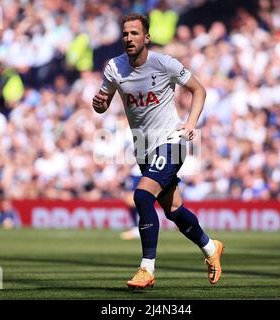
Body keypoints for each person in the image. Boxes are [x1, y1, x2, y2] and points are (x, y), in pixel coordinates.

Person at [92, 13, 224, 289]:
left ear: (147, 37)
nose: (129, 38)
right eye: (125, 34)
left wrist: (190, 123)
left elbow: (199, 90)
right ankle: (211, 248)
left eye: (134, 33)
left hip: (172, 141)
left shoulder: (164, 64)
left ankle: (146, 269)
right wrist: (99, 104)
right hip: (143, 148)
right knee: (174, 210)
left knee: (141, 196)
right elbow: (102, 104)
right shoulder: (114, 68)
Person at [119, 165, 142, 240]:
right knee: (131, 200)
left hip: (140, 174)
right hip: (136, 173)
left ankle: (138, 229)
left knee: (133, 200)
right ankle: (136, 228)